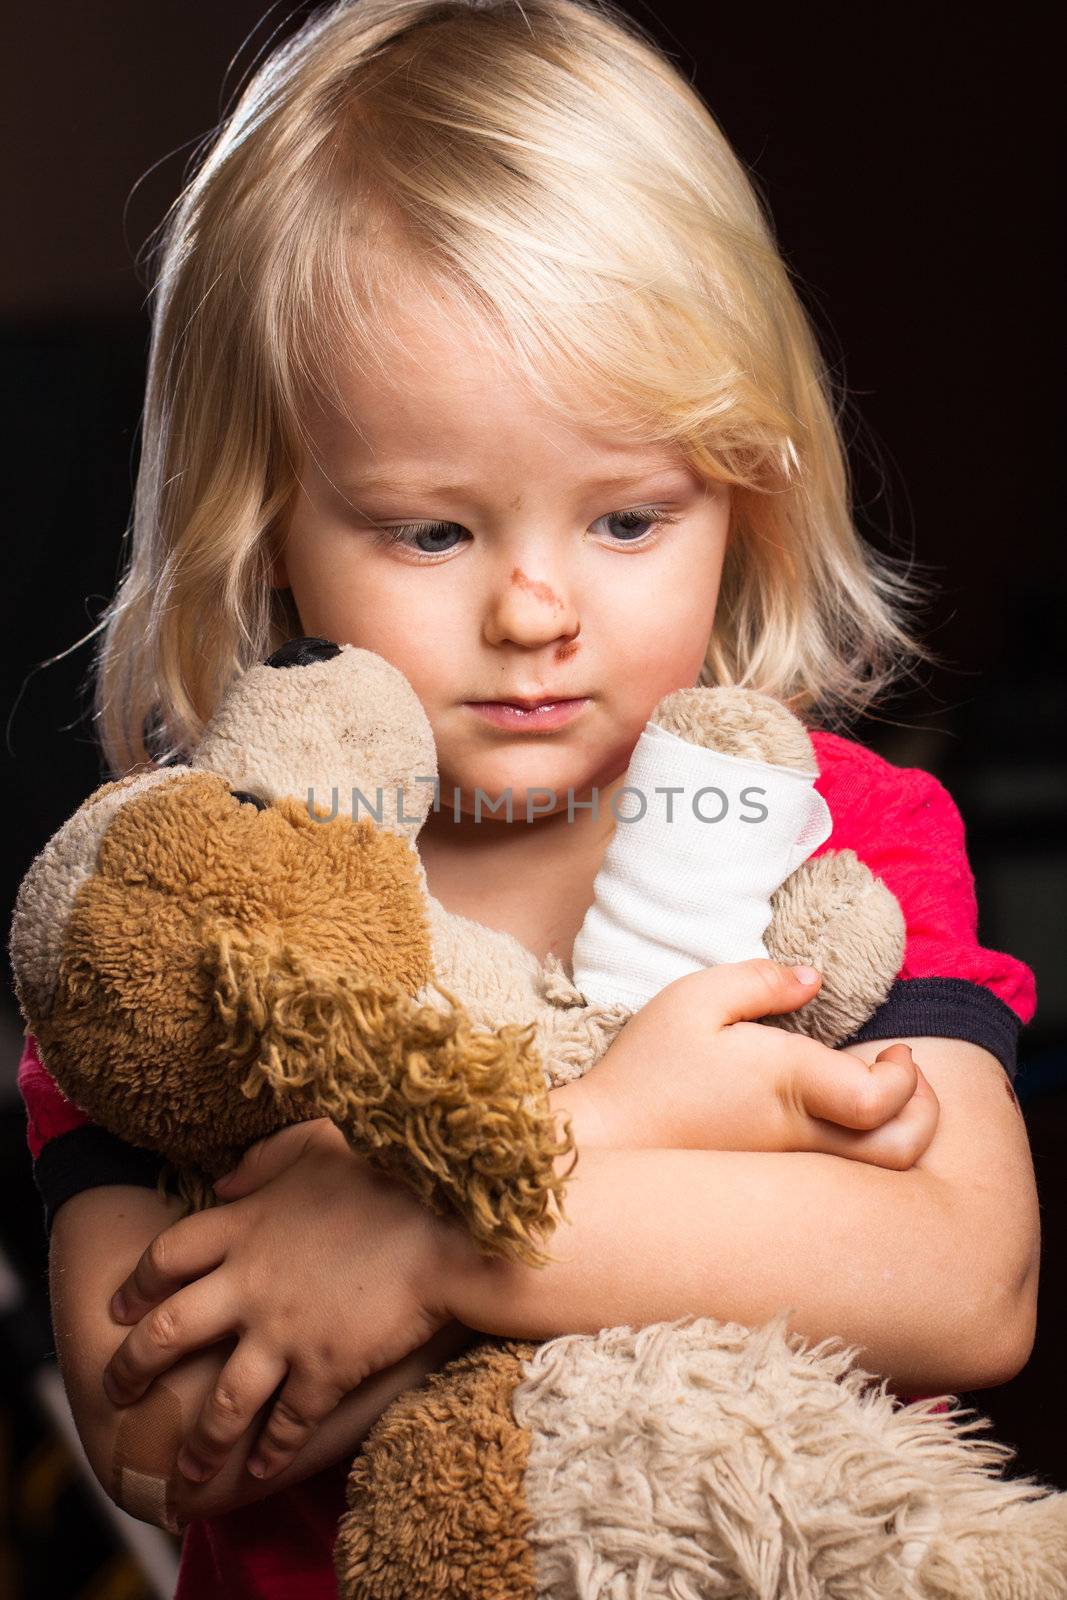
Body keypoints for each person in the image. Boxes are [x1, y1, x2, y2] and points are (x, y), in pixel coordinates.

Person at [16, 1, 1040, 1594]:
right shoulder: (195, 894)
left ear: (750, 491)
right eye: (433, 532)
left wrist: (422, 1239)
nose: (536, 611)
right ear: (262, 519)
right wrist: (646, 1120)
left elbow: (970, 1277)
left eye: (629, 517)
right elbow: (157, 1441)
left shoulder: (835, 828)